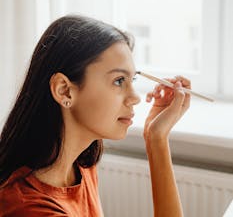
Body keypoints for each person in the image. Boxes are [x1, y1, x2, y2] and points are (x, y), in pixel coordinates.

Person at [0, 15, 190, 217]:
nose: (135, 97)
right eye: (119, 80)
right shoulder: (30, 209)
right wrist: (157, 142)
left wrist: (156, 136)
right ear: (64, 90)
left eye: (131, 79)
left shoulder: (80, 167)